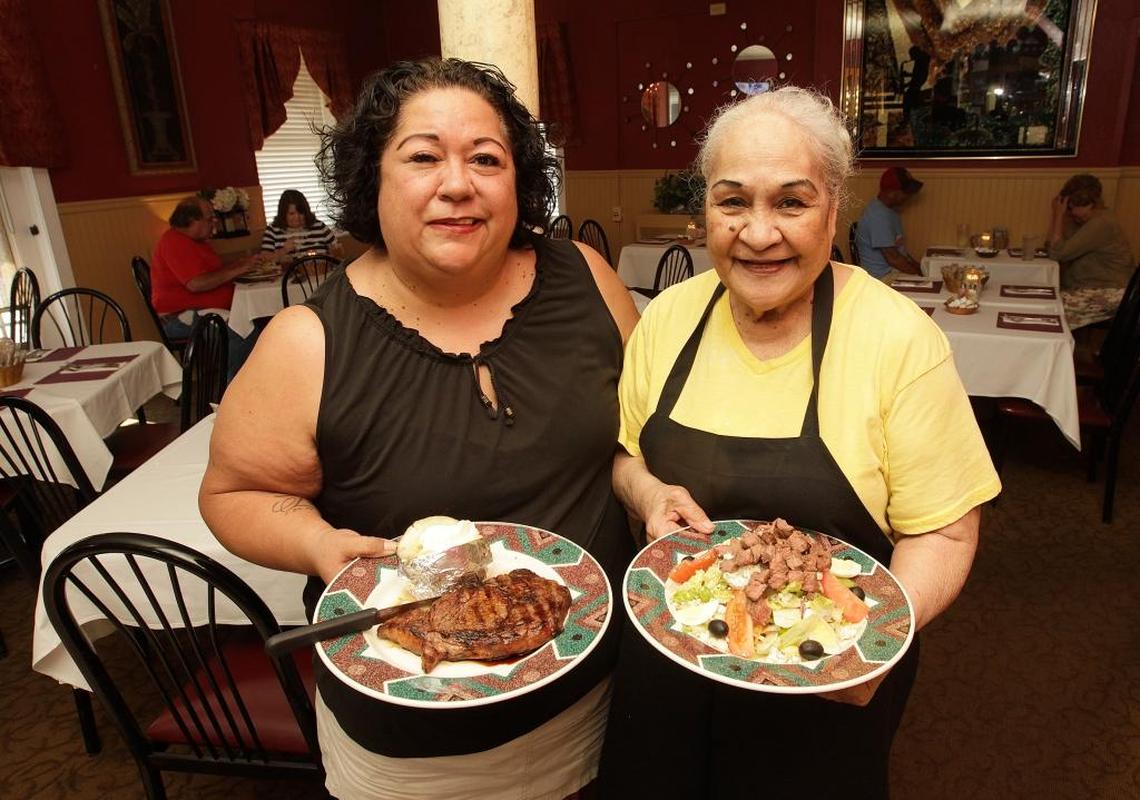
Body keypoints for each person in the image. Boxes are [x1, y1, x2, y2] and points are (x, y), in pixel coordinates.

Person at [199, 58, 638, 800]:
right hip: (419, 744)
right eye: (424, 156)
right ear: (373, 179)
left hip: (600, 691)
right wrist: (316, 544)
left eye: (487, 159)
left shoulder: (586, 277)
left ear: (521, 181)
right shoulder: (309, 342)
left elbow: (633, 434)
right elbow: (234, 493)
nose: (458, 184)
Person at [597, 87, 1000, 798]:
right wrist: (650, 492)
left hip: (825, 682)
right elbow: (627, 458)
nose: (758, 234)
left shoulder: (898, 340)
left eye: (791, 202)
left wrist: (863, 648)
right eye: (732, 202)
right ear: (706, 210)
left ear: (834, 205)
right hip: (671, 659)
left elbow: (945, 532)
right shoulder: (666, 320)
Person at [151, 196, 257, 379]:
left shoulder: (197, 241)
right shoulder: (174, 242)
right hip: (179, 317)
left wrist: (239, 264)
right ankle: (234, 390)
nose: (214, 221)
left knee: (255, 321)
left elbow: (213, 269)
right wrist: (237, 270)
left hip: (202, 310)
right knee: (243, 333)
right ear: (192, 221)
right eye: (209, 218)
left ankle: (246, 381)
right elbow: (196, 284)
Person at [1046, 174, 1134, 290]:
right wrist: (1066, 218)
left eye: (1073, 206)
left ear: (1091, 204)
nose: (1071, 211)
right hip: (1085, 286)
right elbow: (1055, 246)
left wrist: (1058, 215)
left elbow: (1057, 254)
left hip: (1105, 289)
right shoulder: (1083, 221)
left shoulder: (1101, 224)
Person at [854, 166, 924, 281]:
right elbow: (894, 259)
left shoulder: (888, 212)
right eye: (906, 192)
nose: (909, 197)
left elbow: (901, 253)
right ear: (891, 192)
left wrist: (921, 268)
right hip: (881, 279)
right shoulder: (878, 216)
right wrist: (920, 275)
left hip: (893, 273)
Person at [260, 189, 342, 264]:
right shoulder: (272, 230)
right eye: (291, 214)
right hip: (288, 278)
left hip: (322, 275)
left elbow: (339, 251)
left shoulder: (319, 226)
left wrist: (335, 251)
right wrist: (284, 250)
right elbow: (265, 260)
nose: (297, 217)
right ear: (283, 214)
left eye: (301, 213)